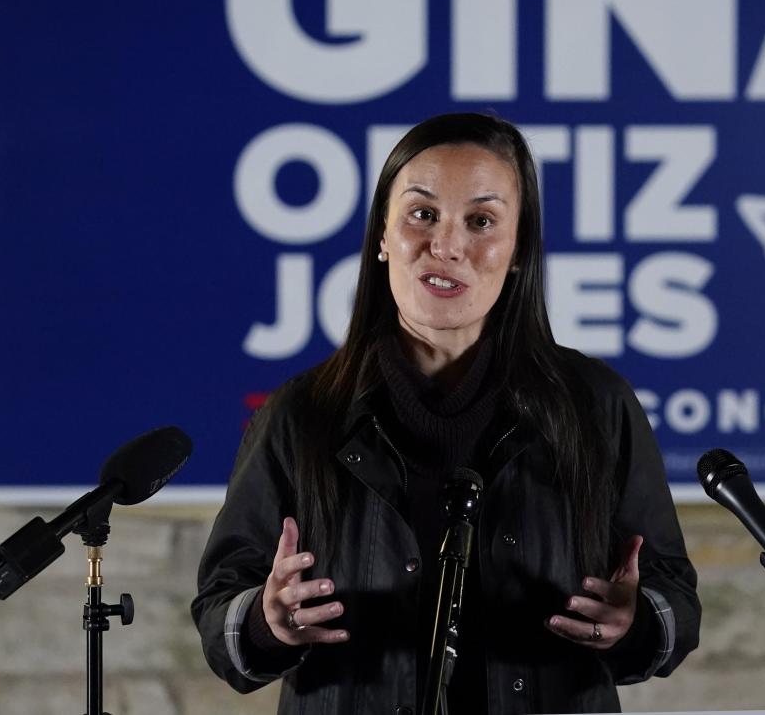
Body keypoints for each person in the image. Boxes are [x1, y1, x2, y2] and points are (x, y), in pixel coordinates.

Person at [192, 113, 700, 713]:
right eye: (422, 214)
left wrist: (635, 621)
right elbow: (222, 611)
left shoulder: (595, 405)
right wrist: (265, 622)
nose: (447, 246)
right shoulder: (301, 414)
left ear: (517, 250)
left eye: (481, 221)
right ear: (383, 234)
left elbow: (674, 601)